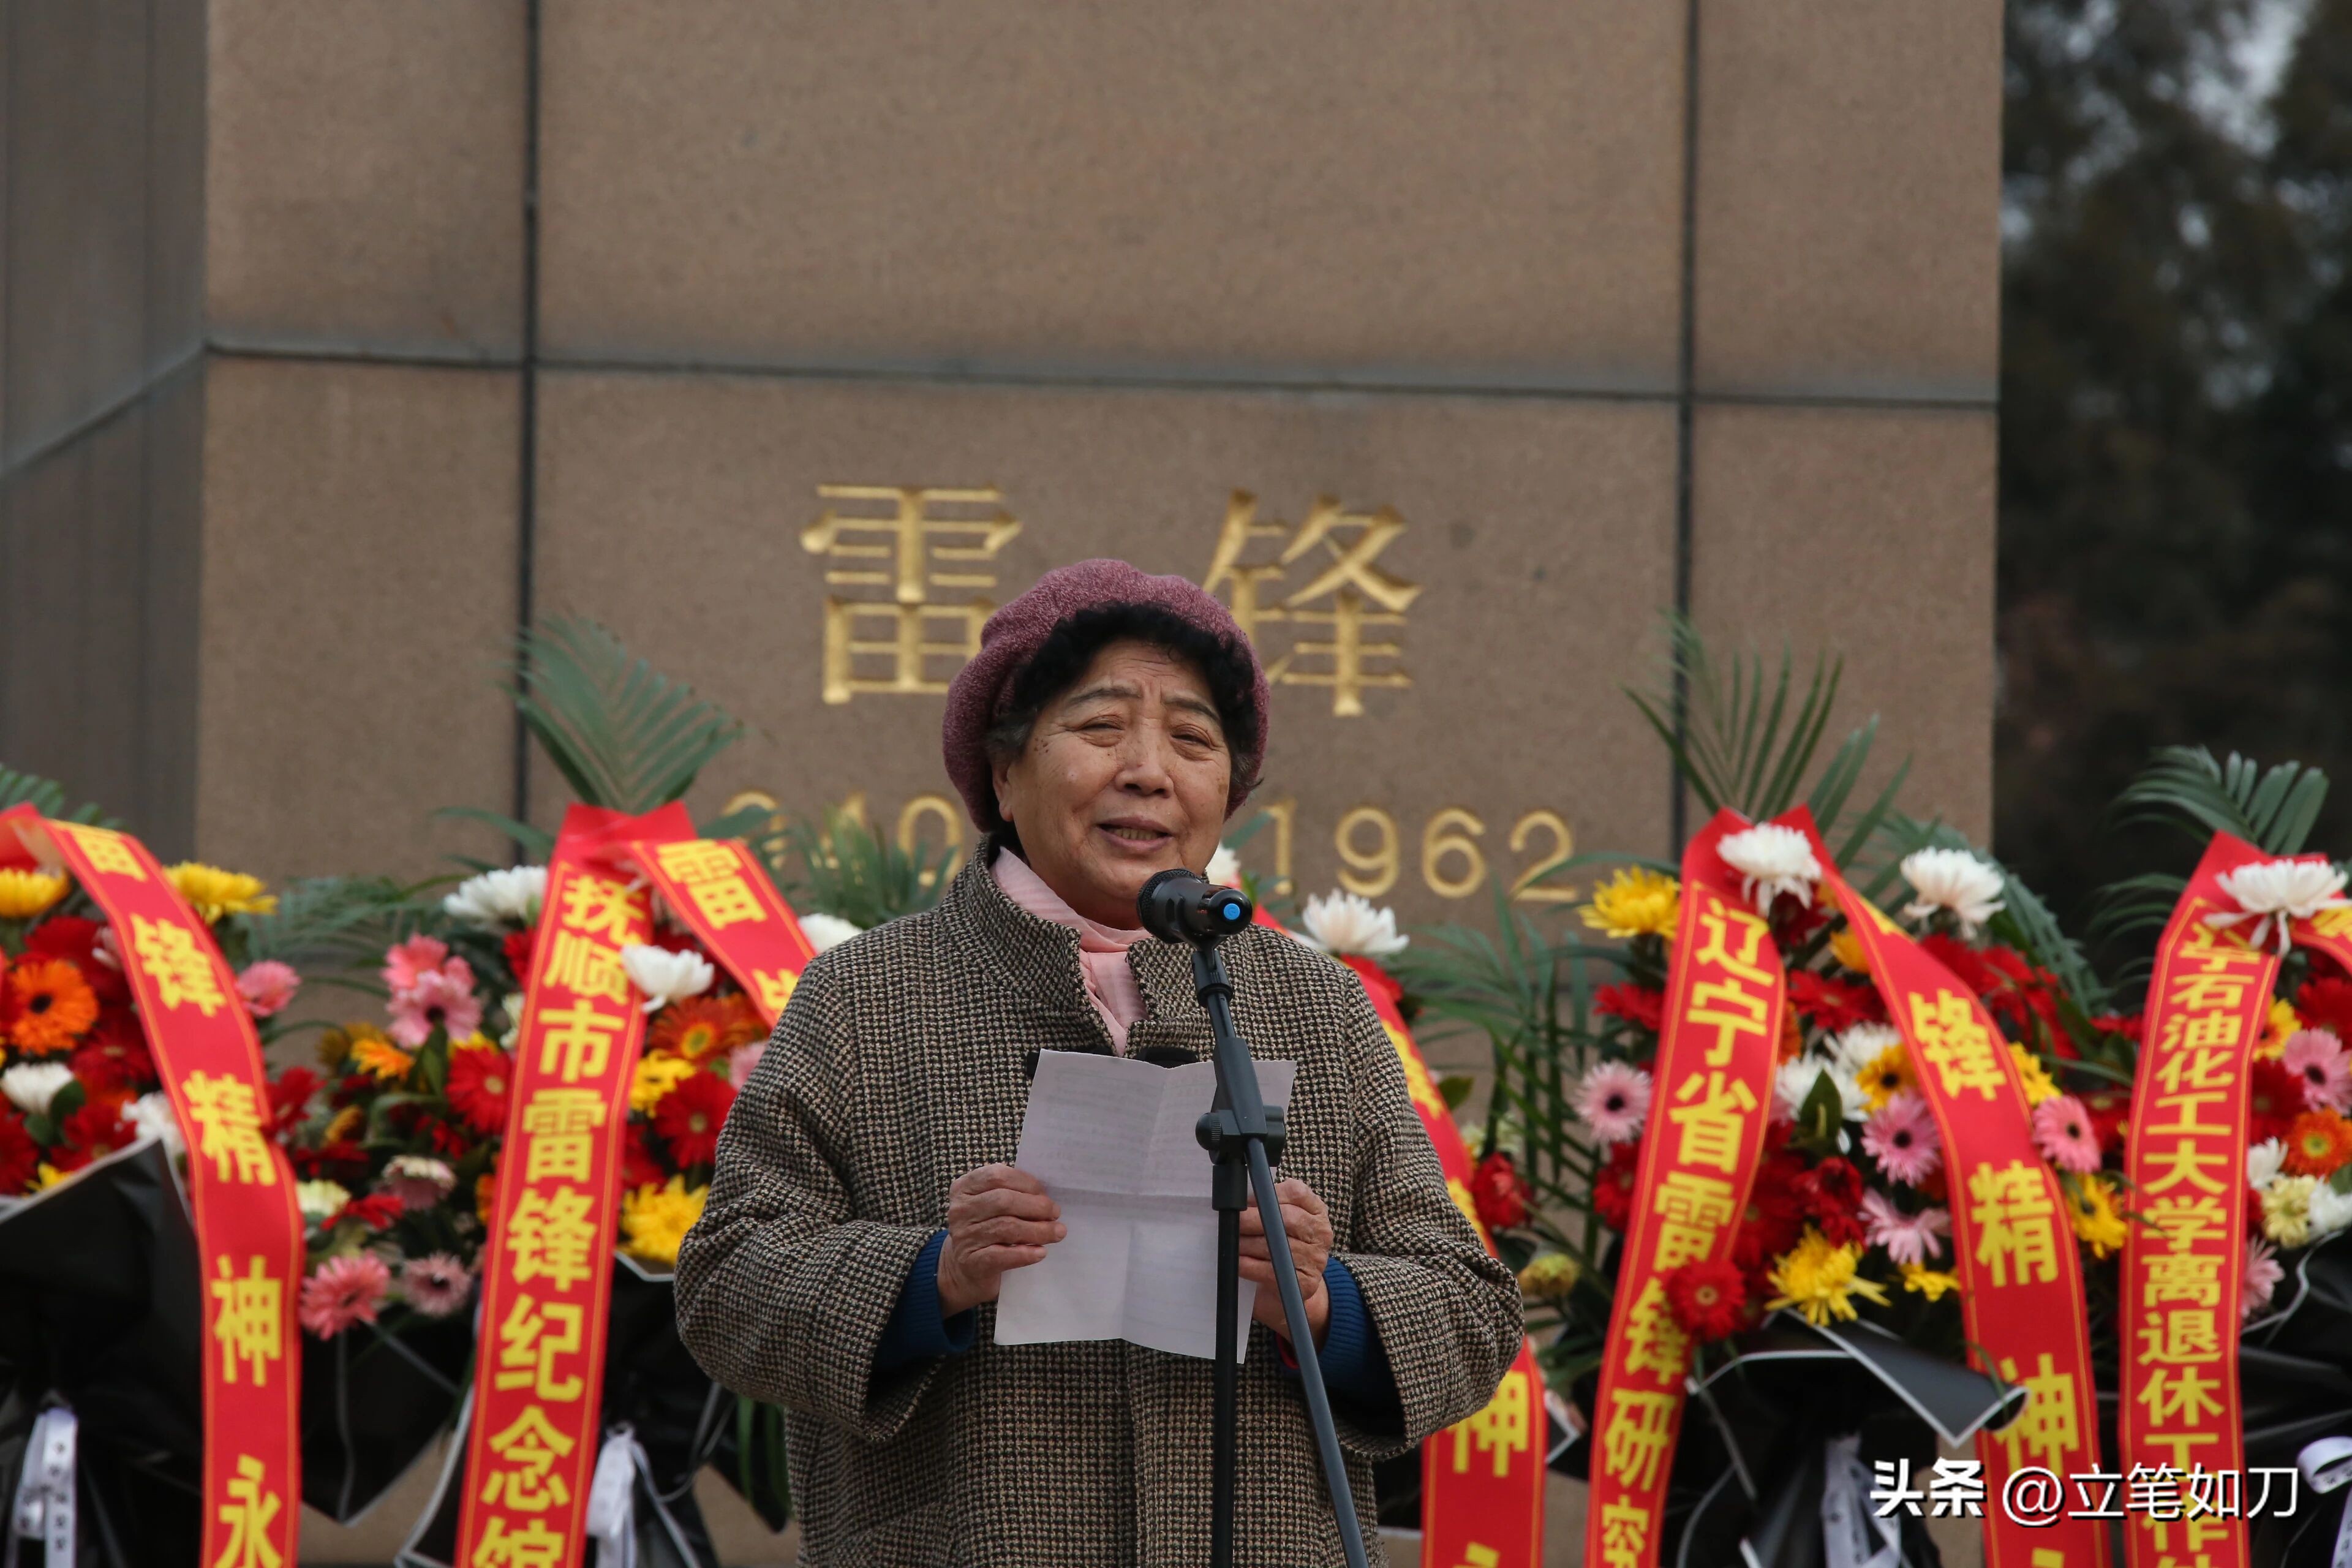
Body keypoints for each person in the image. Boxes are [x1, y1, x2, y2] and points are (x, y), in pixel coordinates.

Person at [676, 558, 1522, 1566]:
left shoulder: (1316, 1005)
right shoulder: (866, 996)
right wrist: (932, 1274)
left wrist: (1322, 1295)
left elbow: (1470, 1308)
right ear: (1003, 770)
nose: (1149, 771)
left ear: (1226, 791)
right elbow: (725, 1284)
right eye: (1101, 726)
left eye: (1193, 741)